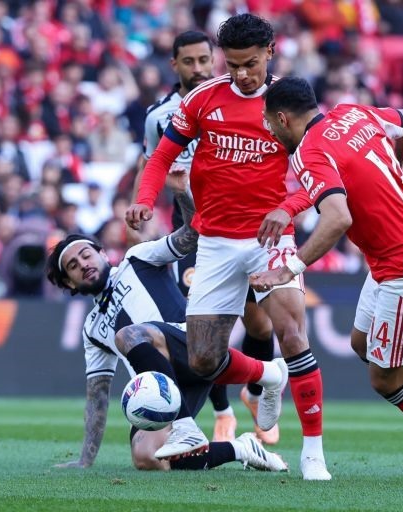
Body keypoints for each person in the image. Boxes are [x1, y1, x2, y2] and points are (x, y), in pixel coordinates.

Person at [251, 77, 403, 486]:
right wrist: (391, 169)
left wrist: (287, 269)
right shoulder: (353, 113)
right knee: (363, 344)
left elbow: (338, 219)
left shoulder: (310, 153)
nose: (271, 132)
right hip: (391, 258)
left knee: (385, 378)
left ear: (281, 118)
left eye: (270, 124)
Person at [127, 14, 330, 480]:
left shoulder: (289, 103)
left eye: (251, 64)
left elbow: (321, 175)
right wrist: (143, 200)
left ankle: (313, 454)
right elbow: (161, 156)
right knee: (202, 359)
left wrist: (290, 207)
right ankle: (267, 376)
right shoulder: (203, 98)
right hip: (215, 243)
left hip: (271, 239)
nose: (241, 74)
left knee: (293, 335)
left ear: (271, 53)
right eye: (233, 64)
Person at [45, 184, 286, 473]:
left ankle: (186, 425)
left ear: (102, 253)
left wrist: (181, 189)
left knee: (130, 335)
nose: (83, 264)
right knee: (149, 458)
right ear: (70, 283)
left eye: (85, 255)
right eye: (73, 266)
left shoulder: (138, 259)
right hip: (167, 389)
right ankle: (240, 448)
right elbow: (97, 395)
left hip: (193, 346)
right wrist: (85, 460)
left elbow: (193, 234)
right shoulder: (92, 329)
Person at [133, 30, 279, 445]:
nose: (199, 69)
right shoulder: (161, 115)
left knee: (259, 324)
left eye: (205, 60)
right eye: (189, 62)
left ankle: (257, 389)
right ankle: (218, 413)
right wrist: (141, 207)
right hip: (196, 237)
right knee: (199, 335)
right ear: (174, 65)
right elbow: (154, 161)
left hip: (251, 232)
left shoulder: (258, 100)